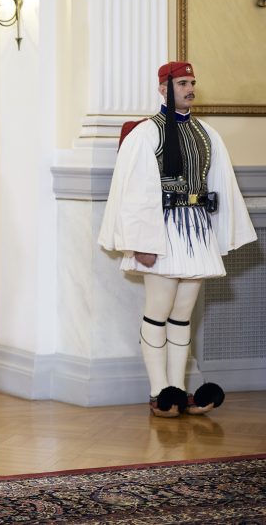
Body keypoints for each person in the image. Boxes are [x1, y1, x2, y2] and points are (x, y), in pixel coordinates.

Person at [98, 61, 256, 417]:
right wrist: (141, 242)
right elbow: (135, 191)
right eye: (182, 83)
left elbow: (220, 184)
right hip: (161, 230)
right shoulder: (145, 133)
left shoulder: (207, 133)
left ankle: (178, 391)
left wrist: (218, 235)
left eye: (192, 82)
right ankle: (159, 392)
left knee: (182, 315)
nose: (190, 89)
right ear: (163, 88)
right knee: (158, 312)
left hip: (196, 230)